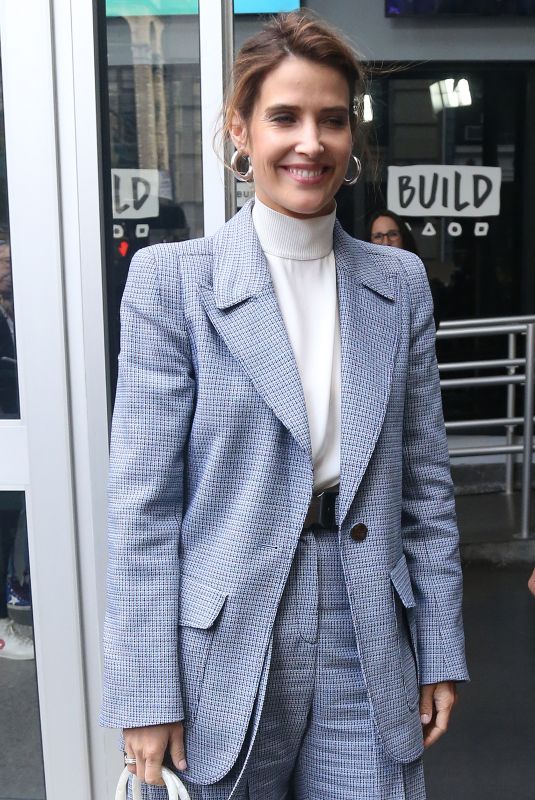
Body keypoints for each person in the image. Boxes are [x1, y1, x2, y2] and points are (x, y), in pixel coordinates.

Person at [101, 11, 468, 800]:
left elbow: (426, 488)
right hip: (226, 633)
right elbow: (143, 508)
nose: (311, 141)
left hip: (367, 619)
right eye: (284, 117)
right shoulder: (174, 282)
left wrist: (438, 646)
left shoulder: (396, 284)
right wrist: (145, 694)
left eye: (331, 119)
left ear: (351, 134)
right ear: (239, 130)